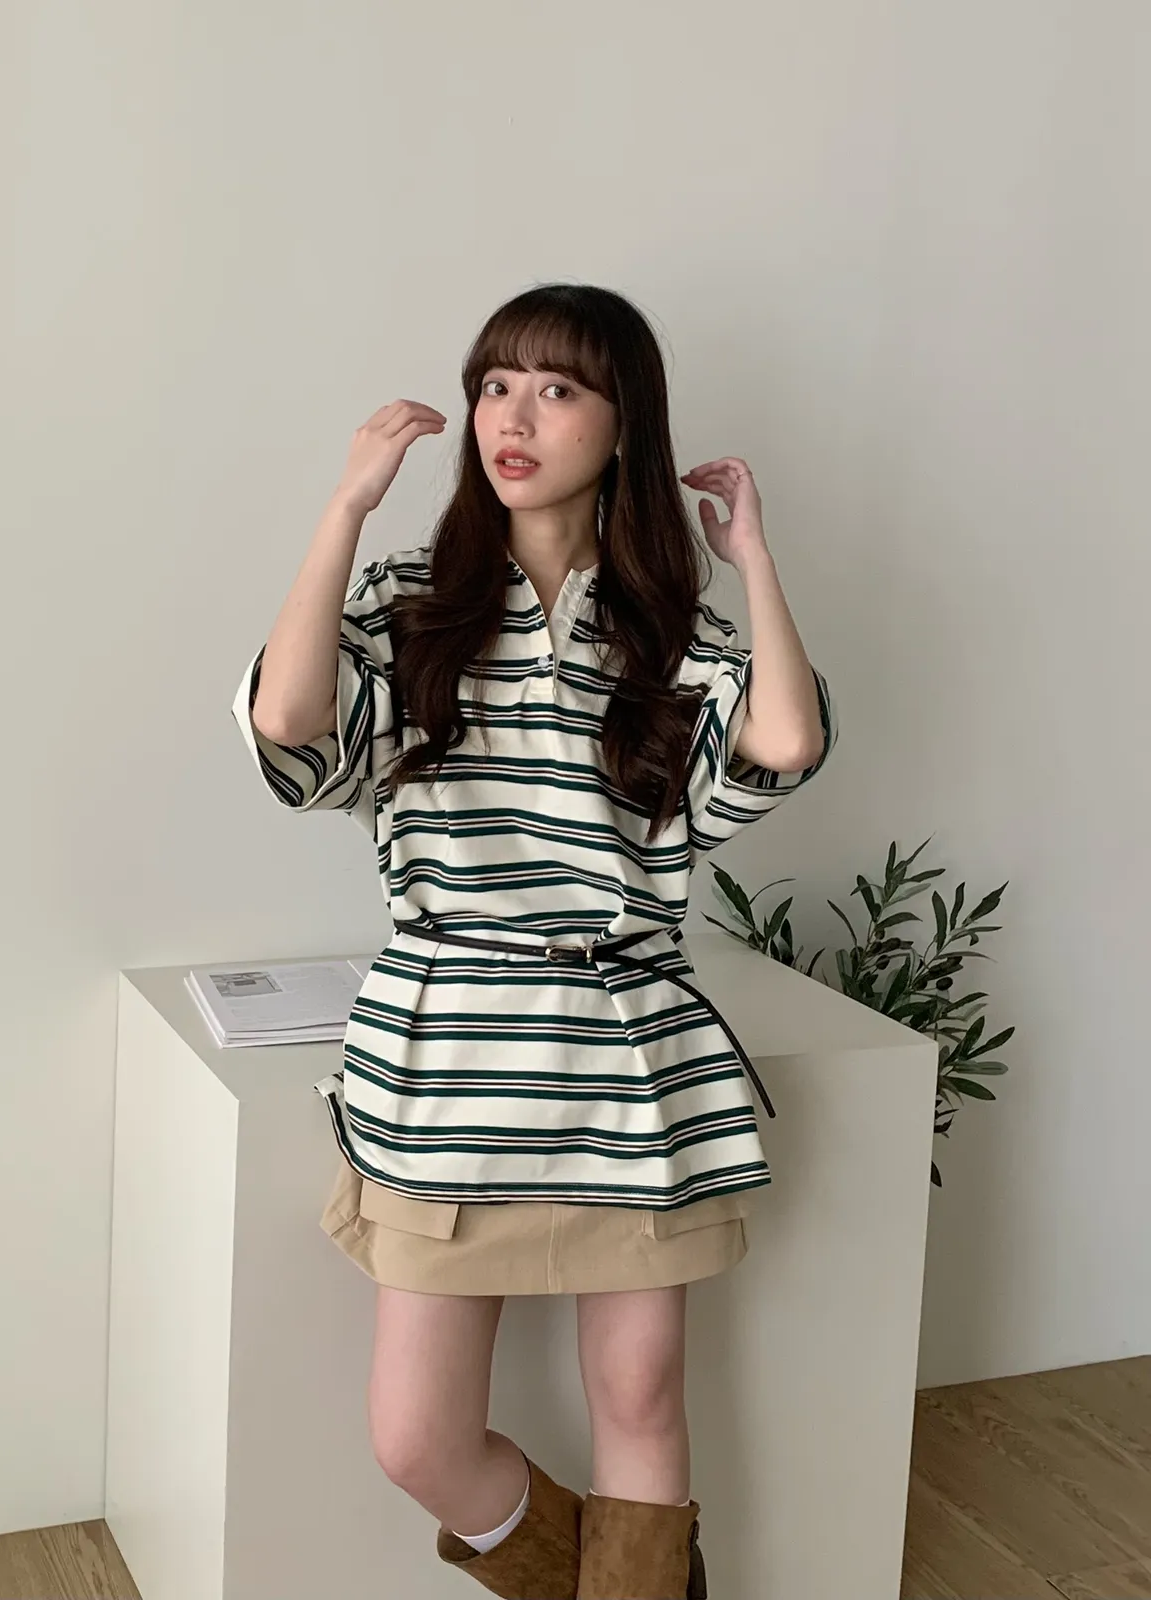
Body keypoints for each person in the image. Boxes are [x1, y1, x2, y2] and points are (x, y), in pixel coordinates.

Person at [231, 283, 837, 1599]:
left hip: (626, 1060)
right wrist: (345, 509)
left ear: (624, 426)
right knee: (417, 1438)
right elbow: (287, 719)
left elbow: (785, 741)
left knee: (641, 1396)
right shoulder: (412, 601)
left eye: (558, 389)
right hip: (450, 1060)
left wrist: (754, 560)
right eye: (495, 386)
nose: (513, 416)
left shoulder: (667, 632)